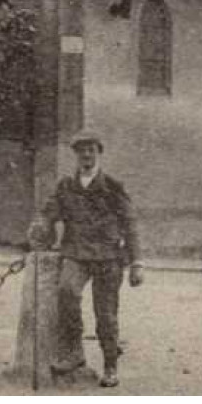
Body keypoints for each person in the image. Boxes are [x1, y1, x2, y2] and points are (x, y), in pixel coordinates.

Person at [38, 129, 143, 388]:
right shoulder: (66, 186)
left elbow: (130, 224)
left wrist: (136, 263)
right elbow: (49, 214)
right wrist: (42, 232)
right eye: (81, 150)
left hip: (109, 258)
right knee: (66, 291)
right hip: (76, 253)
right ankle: (74, 352)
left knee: (105, 314)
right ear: (75, 155)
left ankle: (110, 366)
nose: (86, 155)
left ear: (98, 153)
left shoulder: (113, 186)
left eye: (91, 150)